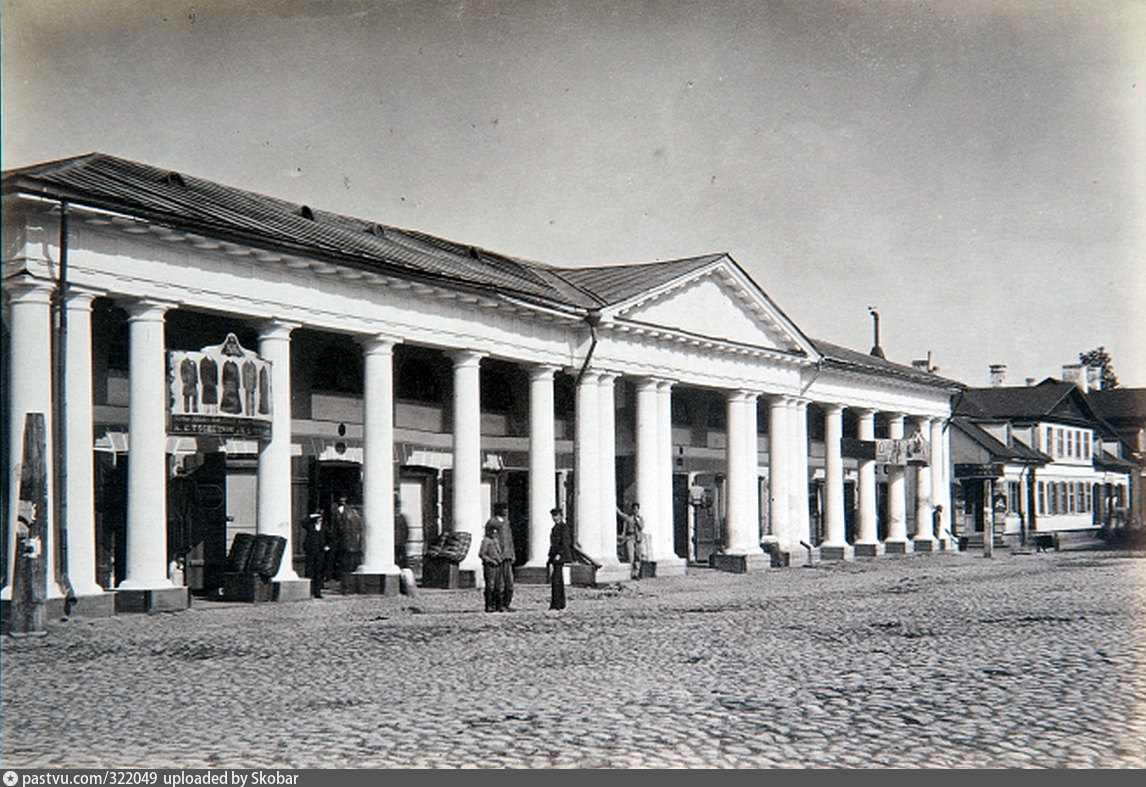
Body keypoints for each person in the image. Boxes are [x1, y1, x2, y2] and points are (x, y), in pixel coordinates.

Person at [485, 502, 515, 611]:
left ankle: (506, 603)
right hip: (497, 557)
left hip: (507, 556)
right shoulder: (492, 522)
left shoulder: (506, 522)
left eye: (506, 509)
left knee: (509, 582)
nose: (506, 511)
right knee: (498, 583)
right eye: (503, 509)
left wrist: (512, 554)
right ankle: (496, 604)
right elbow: (489, 540)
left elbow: (510, 539)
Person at [547, 507, 573, 610]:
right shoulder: (555, 528)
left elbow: (565, 542)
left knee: (557, 580)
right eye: (553, 516)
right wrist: (550, 557)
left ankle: (558, 603)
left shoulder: (563, 527)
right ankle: (558, 603)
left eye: (556, 515)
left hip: (559, 556)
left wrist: (560, 554)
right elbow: (553, 544)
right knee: (556, 579)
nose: (554, 518)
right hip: (555, 556)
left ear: (561, 516)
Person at [478, 519, 507, 612]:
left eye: (496, 532)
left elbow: (499, 552)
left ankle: (499, 605)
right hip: (490, 566)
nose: (494, 534)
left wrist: (501, 558)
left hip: (498, 565)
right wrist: (490, 561)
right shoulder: (486, 541)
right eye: (493, 532)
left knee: (499, 585)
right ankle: (489, 605)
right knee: (490, 586)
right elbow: (482, 554)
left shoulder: (496, 541)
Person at [332, 495, 362, 580]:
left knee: (346, 560)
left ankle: (345, 577)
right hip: (347, 540)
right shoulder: (352, 512)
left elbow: (339, 526)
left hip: (347, 540)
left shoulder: (348, 512)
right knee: (346, 559)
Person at [302, 511, 331, 598]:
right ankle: (309, 591)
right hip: (311, 551)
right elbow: (303, 522)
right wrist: (311, 515)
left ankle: (317, 592)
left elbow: (330, 537)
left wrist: (328, 546)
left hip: (320, 552)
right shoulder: (310, 526)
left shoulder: (325, 528)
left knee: (318, 572)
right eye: (318, 518)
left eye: (320, 518)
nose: (319, 520)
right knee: (310, 570)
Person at [617, 502, 644, 579]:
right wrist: (616, 508)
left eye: (637, 509)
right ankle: (631, 573)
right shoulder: (628, 518)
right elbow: (621, 515)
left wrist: (637, 520)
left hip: (638, 538)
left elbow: (641, 527)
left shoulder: (640, 518)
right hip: (630, 537)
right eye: (634, 509)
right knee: (630, 556)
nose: (635, 510)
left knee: (638, 557)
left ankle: (636, 573)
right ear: (632, 509)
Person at [394, 497, 410, 569]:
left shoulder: (402, 517)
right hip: (394, 543)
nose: (397, 509)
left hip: (401, 542)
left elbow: (406, 530)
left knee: (403, 558)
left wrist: (404, 540)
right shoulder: (391, 518)